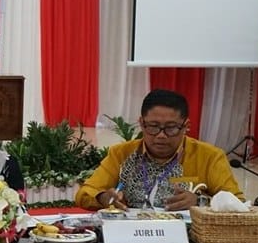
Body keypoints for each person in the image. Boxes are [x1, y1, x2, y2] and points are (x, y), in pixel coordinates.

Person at [74, 89, 244, 211]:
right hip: (131, 238)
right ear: (141, 123)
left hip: (188, 241)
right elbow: (85, 193)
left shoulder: (209, 157)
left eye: (171, 128)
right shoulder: (121, 154)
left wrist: (200, 202)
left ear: (186, 126)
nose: (161, 135)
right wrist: (103, 197)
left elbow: (238, 204)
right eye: (153, 126)